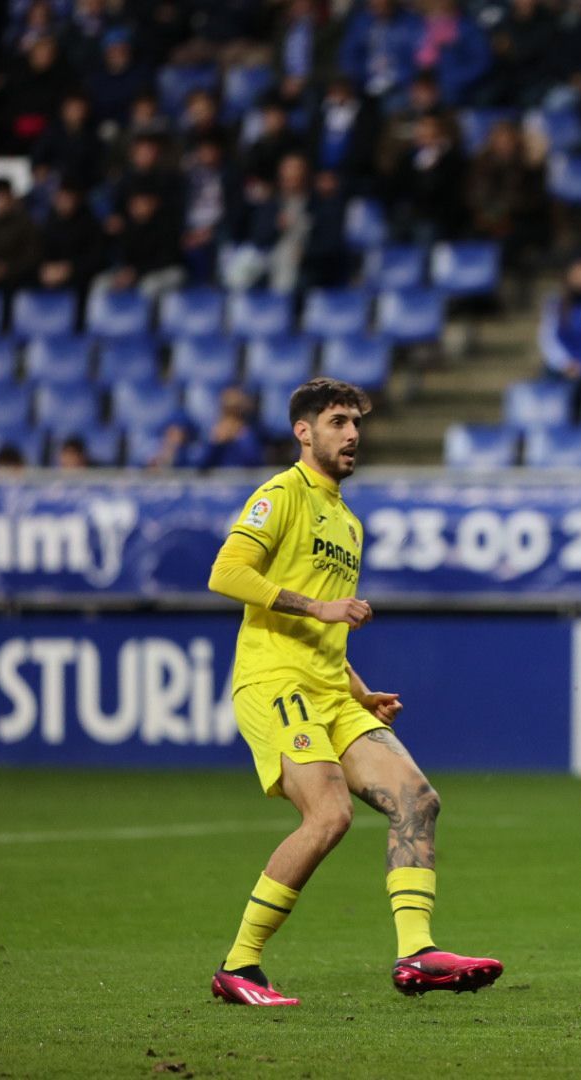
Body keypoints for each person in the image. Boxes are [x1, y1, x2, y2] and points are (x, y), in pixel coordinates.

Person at [205, 377, 501, 1007]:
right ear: (303, 431)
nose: (352, 435)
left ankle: (417, 954)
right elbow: (226, 571)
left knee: (417, 800)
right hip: (276, 682)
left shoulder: (345, 519)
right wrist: (318, 605)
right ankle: (239, 965)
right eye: (338, 422)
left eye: (356, 424)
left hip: (331, 691)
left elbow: (327, 633)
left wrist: (360, 692)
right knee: (330, 814)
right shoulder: (280, 494)